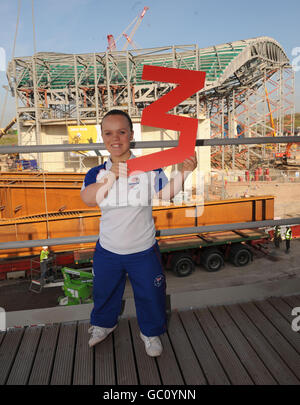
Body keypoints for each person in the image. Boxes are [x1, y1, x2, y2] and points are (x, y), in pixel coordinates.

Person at [80, 109, 197, 357]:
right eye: (109, 133)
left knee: (151, 295)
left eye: (121, 132)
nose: (115, 138)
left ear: (131, 135)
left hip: (143, 249)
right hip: (108, 249)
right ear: (102, 136)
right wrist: (111, 176)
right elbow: (88, 199)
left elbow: (166, 194)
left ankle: (150, 332)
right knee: (104, 291)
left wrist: (185, 171)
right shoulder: (96, 173)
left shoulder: (148, 168)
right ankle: (103, 325)